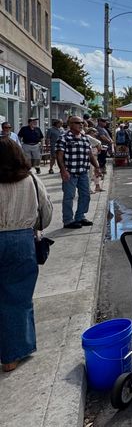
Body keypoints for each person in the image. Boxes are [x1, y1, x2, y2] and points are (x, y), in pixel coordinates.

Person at [0, 138, 53, 371]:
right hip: (22, 241)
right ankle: (12, 355)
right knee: (17, 298)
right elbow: (46, 212)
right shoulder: (31, 179)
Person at [56, 116, 99, 229]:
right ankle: (68, 220)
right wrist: (63, 170)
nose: (80, 125)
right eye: (77, 123)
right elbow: (59, 156)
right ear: (70, 124)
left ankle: (80, 216)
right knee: (69, 197)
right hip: (70, 173)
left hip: (83, 172)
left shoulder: (84, 138)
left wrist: (97, 167)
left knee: (85, 195)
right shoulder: (64, 138)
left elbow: (89, 154)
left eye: (82, 123)